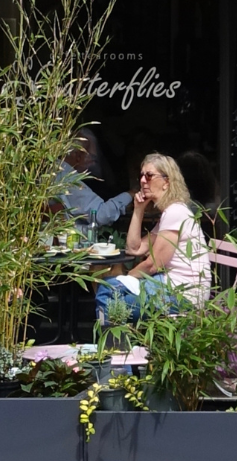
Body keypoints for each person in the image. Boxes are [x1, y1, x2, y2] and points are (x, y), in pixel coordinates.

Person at [95, 153, 210, 322]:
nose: (142, 181)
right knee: (108, 287)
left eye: (149, 175)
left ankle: (113, 337)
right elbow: (134, 248)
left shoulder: (175, 212)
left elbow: (153, 264)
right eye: (141, 175)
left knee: (108, 293)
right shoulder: (170, 212)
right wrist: (138, 209)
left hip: (183, 295)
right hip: (168, 285)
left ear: (166, 182)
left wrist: (127, 278)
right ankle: (115, 335)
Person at [56, 127, 133, 231]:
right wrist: (130, 195)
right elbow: (100, 215)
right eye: (91, 157)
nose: (92, 163)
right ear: (78, 155)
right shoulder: (67, 178)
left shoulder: (52, 171)